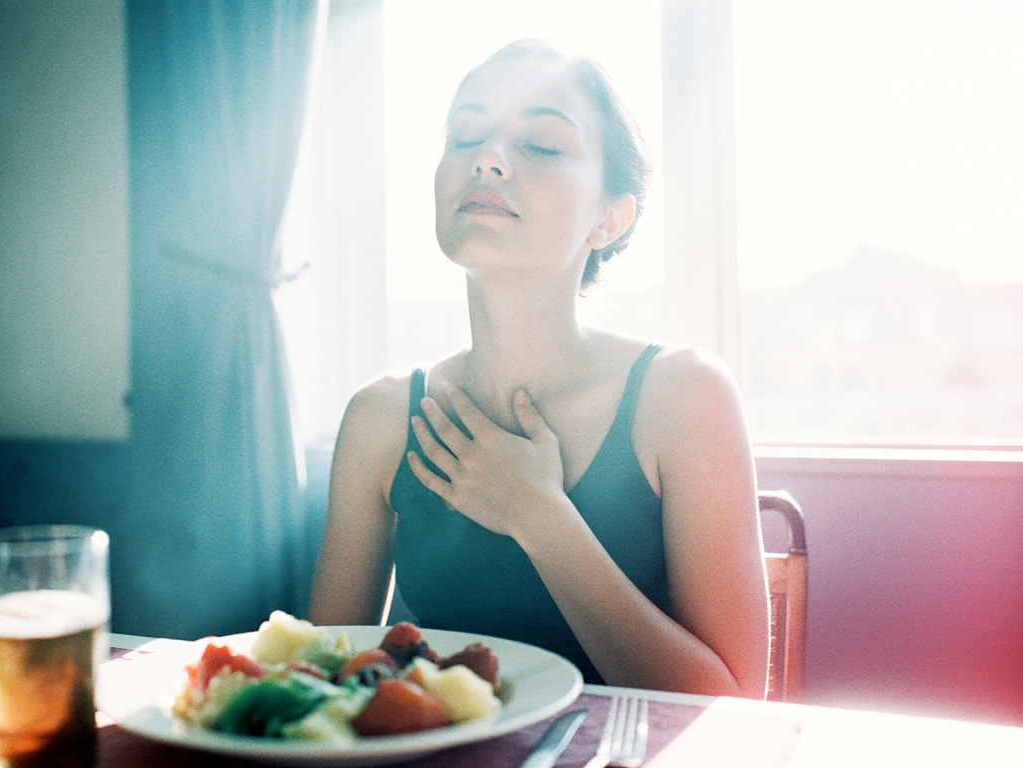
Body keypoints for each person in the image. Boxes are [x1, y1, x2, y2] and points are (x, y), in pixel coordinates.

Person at [309, 40, 768, 697]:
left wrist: (538, 515)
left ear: (610, 218)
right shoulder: (379, 418)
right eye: (465, 136)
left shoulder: (686, 396)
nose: (486, 159)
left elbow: (733, 705)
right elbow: (323, 688)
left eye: (542, 145)